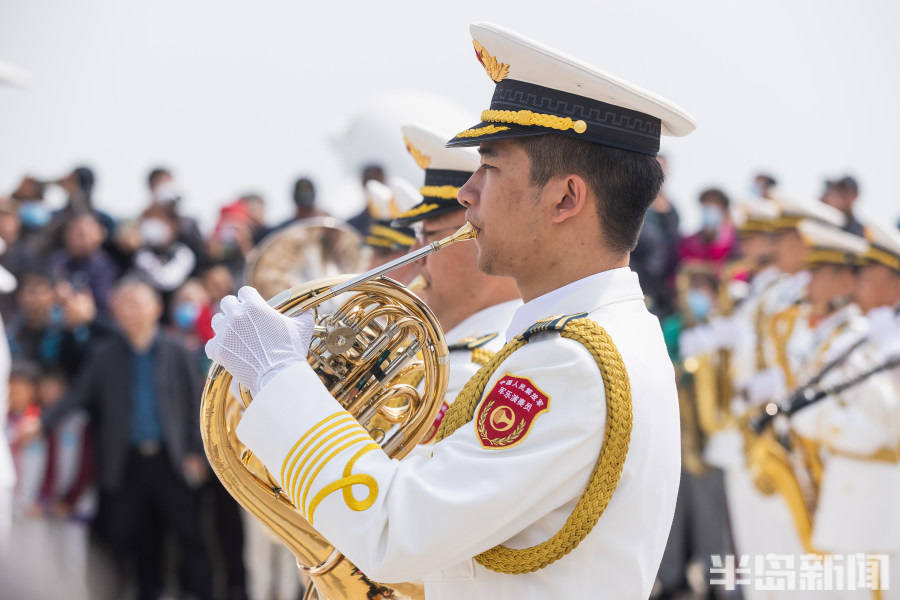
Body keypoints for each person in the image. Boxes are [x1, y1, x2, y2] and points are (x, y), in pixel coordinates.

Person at [206, 23, 695, 599]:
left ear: (565, 198)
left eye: (490, 167)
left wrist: (281, 377)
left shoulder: (570, 363)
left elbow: (397, 532)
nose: (467, 193)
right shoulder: (578, 341)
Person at [17, 277, 212, 599]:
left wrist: (196, 452)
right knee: (126, 539)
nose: (128, 311)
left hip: (172, 458)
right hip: (125, 460)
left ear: (156, 308)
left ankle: (203, 593)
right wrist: (42, 423)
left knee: (190, 535)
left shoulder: (176, 349)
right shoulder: (104, 353)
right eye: (122, 304)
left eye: (136, 303)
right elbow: (77, 394)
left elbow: (196, 403)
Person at [392, 123, 521, 446]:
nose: (414, 255)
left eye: (426, 238)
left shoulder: (470, 369)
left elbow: (377, 490)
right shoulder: (452, 355)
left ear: (477, 235)